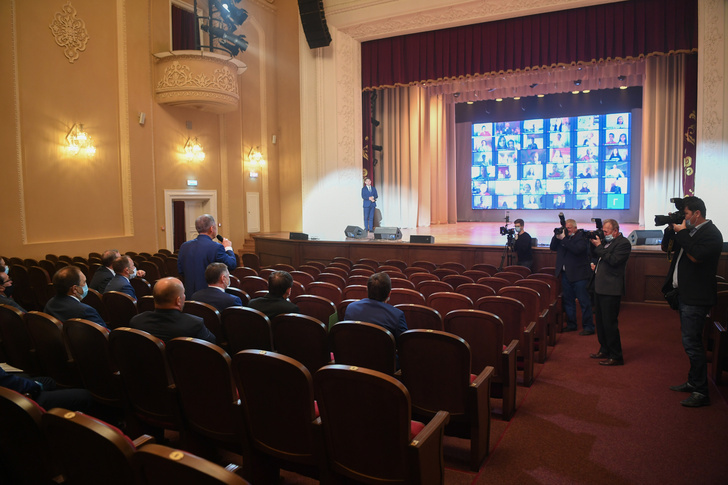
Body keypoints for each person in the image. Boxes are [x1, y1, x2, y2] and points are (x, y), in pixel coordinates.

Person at [661, 196, 723, 407]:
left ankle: (701, 392)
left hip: (697, 297)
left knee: (693, 344)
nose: (684, 218)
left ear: (697, 214)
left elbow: (696, 256)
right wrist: (672, 230)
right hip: (685, 294)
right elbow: (665, 248)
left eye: (686, 214)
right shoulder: (689, 232)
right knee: (690, 342)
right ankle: (693, 381)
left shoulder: (712, 234)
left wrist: (683, 232)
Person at [589, 219, 631, 366]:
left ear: (615, 230)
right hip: (600, 287)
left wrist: (600, 246)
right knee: (600, 323)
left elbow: (613, 260)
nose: (604, 234)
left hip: (611, 290)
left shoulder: (623, 243)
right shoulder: (608, 243)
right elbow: (602, 257)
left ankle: (616, 355)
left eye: (606, 232)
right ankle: (604, 349)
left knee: (609, 324)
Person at [129, 277, 216, 344]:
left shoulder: (136, 321)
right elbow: (213, 346)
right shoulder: (195, 324)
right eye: (183, 294)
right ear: (178, 300)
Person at [550, 219, 594, 335]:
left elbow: (577, 250)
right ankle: (571, 324)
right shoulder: (563, 239)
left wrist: (564, 239)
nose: (567, 230)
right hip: (565, 275)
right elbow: (552, 247)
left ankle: (589, 327)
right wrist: (556, 236)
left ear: (575, 228)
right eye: (566, 228)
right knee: (568, 301)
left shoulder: (581, 238)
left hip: (579, 276)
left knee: (584, 302)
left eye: (569, 228)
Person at [177, 214, 237, 298]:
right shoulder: (216, 247)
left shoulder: (184, 246)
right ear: (211, 228)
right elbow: (232, 264)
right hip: (208, 297)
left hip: (188, 295)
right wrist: (228, 247)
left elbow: (180, 270)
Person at [344, 272, 408, 340]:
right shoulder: (397, 316)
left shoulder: (350, 308)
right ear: (389, 294)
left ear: (367, 290)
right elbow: (404, 345)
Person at [0, 368, 94, 412]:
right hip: (16, 402)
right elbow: (12, 384)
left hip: (9, 387)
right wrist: (35, 386)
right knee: (85, 395)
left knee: (47, 381)